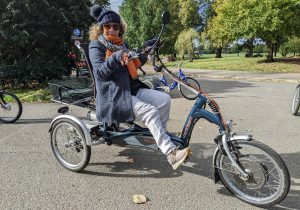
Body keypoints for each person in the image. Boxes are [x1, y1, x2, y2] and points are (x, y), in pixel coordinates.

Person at [88, 5, 190, 170]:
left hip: (131, 90)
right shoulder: (96, 46)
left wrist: (147, 49)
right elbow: (99, 73)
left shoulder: (123, 44)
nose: (112, 29)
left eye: (115, 26)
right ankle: (171, 154)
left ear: (120, 29)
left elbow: (134, 62)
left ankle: (157, 138)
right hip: (113, 96)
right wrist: (115, 57)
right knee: (149, 111)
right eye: (107, 26)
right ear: (101, 29)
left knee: (164, 99)